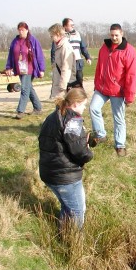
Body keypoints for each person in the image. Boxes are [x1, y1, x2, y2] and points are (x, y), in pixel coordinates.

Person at [38, 87, 93, 230]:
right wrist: (88, 149)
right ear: (75, 104)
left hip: (49, 171)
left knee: (67, 206)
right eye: (84, 105)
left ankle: (62, 233)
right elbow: (79, 151)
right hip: (65, 176)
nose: (85, 108)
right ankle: (73, 241)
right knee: (77, 210)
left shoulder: (53, 116)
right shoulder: (73, 121)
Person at [89, 23, 136, 157]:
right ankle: (101, 134)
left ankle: (120, 145)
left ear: (122, 34)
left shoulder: (129, 51)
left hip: (117, 91)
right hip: (102, 88)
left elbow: (131, 76)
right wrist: (97, 84)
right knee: (93, 108)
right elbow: (99, 67)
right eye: (112, 35)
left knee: (119, 119)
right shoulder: (104, 48)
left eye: (116, 35)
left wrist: (129, 97)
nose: (114, 38)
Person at [5, 22, 46, 119]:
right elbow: (11, 55)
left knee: (24, 89)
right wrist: (8, 67)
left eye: (23, 30)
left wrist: (42, 69)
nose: (21, 31)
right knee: (29, 88)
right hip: (19, 68)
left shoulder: (33, 40)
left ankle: (20, 111)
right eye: (19, 30)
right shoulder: (15, 41)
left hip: (30, 68)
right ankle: (38, 108)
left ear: (27, 30)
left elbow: (39, 55)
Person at [50, 18, 91, 87]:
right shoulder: (60, 36)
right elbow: (54, 50)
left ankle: (80, 95)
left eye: (73, 25)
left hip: (77, 61)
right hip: (66, 62)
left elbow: (83, 47)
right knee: (67, 81)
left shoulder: (78, 34)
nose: (73, 26)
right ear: (65, 26)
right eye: (71, 25)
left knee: (79, 81)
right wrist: (53, 62)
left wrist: (88, 57)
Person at [48, 23, 76, 99]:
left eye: (52, 36)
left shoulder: (65, 47)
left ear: (57, 34)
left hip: (64, 86)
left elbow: (66, 68)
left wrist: (63, 85)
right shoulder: (59, 46)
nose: (51, 38)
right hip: (60, 84)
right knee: (60, 108)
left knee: (63, 108)